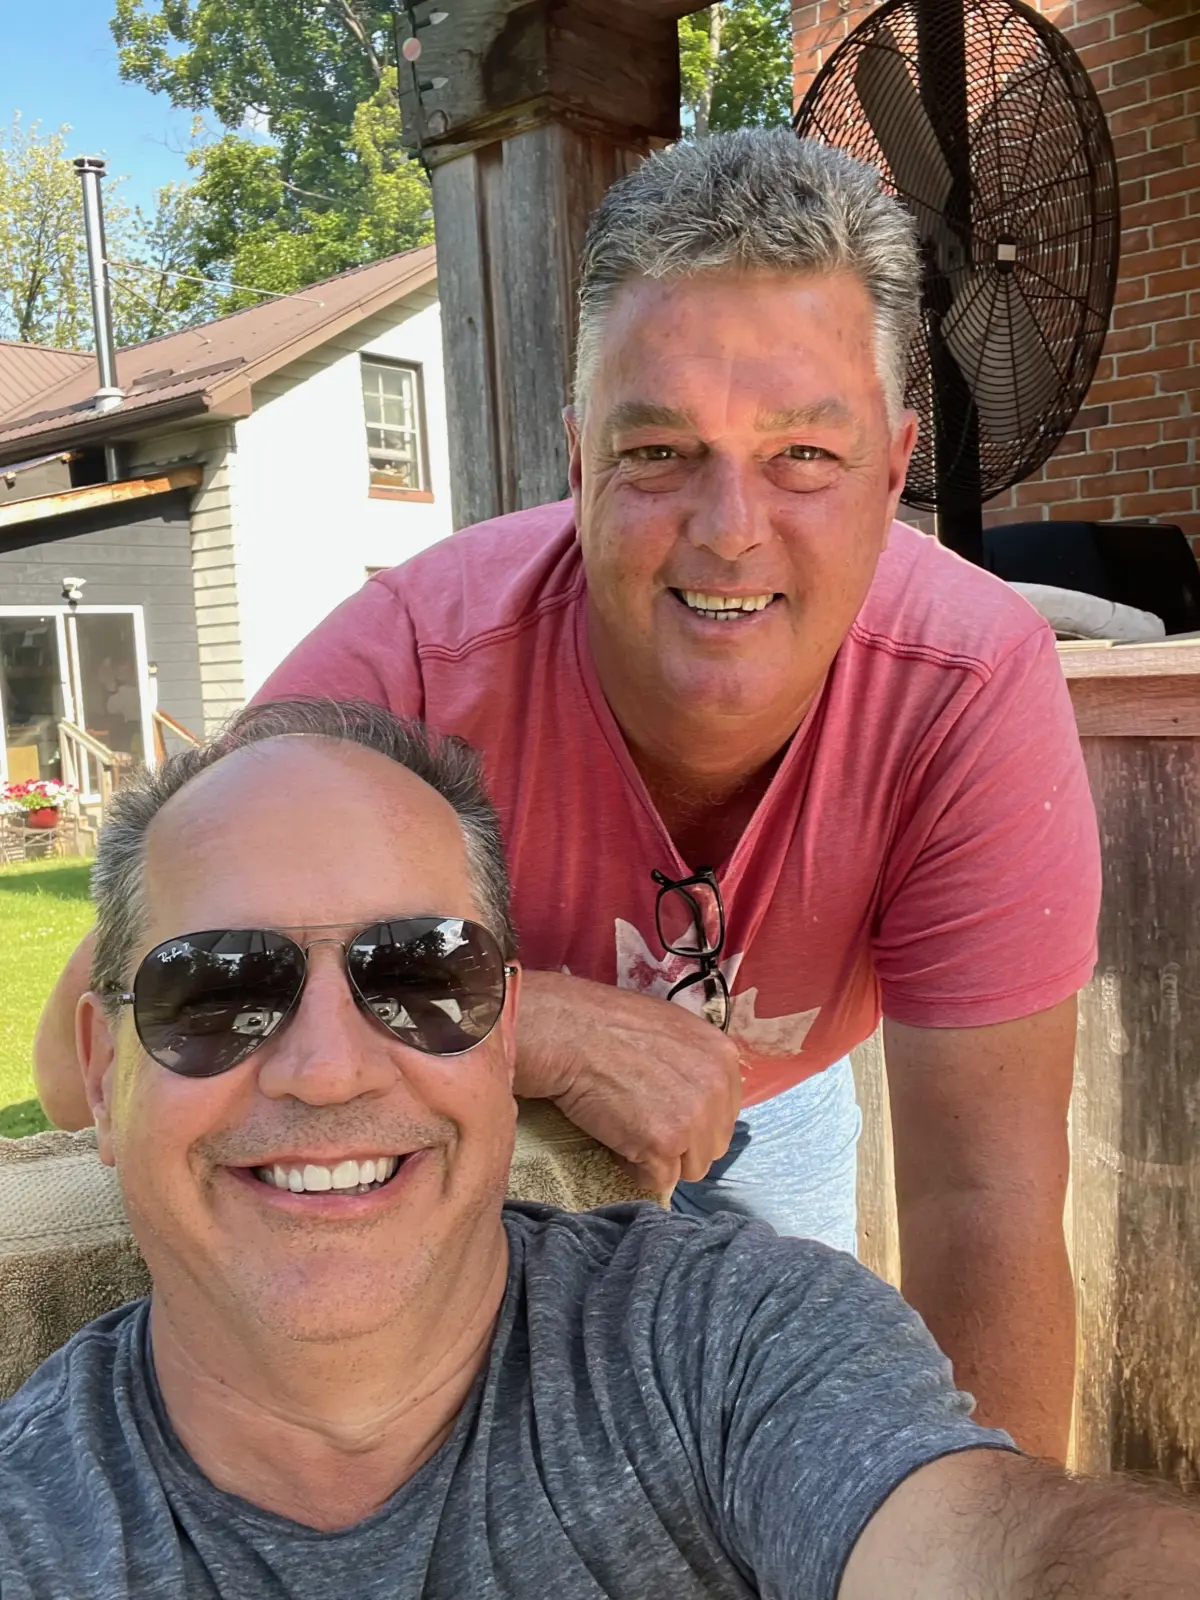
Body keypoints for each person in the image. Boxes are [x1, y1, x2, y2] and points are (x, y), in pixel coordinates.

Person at [32, 131, 1101, 1460]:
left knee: (788, 1431)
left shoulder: (970, 682)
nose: (730, 530)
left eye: (803, 455)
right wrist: (522, 1017)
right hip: (498, 1121)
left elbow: (983, 1201)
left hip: (786, 1091)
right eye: (659, 450)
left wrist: (1001, 1542)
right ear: (579, 461)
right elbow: (82, 1057)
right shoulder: (413, 665)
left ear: (892, 474)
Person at [4, 699, 1196, 1600]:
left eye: (419, 974)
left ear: (505, 1035)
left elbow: (993, 1546)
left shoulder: (732, 1345)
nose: (329, 1068)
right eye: (217, 989)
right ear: (105, 1076)